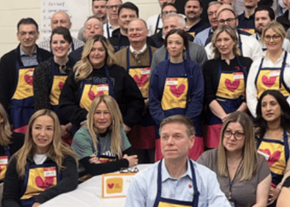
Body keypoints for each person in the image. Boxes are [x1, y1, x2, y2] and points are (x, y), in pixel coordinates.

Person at [59, 34, 144, 131]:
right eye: (92, 49)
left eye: (101, 50)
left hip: (113, 130)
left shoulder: (118, 73)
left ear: (107, 52)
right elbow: (65, 104)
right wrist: (87, 117)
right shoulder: (77, 73)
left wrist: (127, 123)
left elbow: (137, 101)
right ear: (87, 52)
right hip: (84, 129)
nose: (96, 53)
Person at [149, 29, 205, 160]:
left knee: (193, 168)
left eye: (178, 43)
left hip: (191, 126)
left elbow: (198, 97)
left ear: (184, 46)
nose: (173, 46)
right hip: (163, 126)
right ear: (166, 46)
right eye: (170, 43)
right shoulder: (159, 69)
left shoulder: (193, 68)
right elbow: (154, 100)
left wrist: (185, 122)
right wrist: (165, 122)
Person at [0, 18, 52, 129]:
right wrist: (6, 120)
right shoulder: (7, 60)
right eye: (23, 33)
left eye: (31, 33)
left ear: (37, 35)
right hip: (17, 115)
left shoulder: (47, 57)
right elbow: (2, 94)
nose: (27, 37)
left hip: (41, 113)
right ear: (18, 36)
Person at [113, 18, 157, 155]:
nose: (134, 32)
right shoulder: (117, 57)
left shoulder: (158, 54)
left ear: (147, 32)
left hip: (153, 113)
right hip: (128, 117)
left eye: (138, 29)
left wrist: (149, 101)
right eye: (131, 30)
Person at [202, 26, 251, 148]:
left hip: (242, 115)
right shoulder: (209, 66)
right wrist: (224, 117)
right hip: (217, 118)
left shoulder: (247, 63)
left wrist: (236, 116)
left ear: (234, 41)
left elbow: (251, 93)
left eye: (226, 39)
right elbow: (208, 96)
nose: (222, 44)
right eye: (219, 40)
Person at [246, 22, 290, 116]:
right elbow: (250, 95)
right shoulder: (256, 63)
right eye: (268, 37)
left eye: (275, 36)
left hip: (287, 116)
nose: (271, 40)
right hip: (262, 116)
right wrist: (259, 114)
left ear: (283, 38)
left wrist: (281, 113)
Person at [71, 95, 139, 177]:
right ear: (92, 114)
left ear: (113, 114)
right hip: (84, 181)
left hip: (109, 178)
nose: (102, 117)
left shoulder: (118, 130)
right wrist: (124, 162)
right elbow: (94, 170)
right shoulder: (82, 136)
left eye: (106, 112)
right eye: (97, 112)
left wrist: (103, 166)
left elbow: (133, 159)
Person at [33, 27, 76, 118]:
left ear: (70, 44)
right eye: (55, 42)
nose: (58, 46)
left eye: (63, 42)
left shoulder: (77, 67)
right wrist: (55, 125)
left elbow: (80, 99)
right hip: (50, 120)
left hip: (73, 119)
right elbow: (41, 104)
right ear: (50, 45)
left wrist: (70, 125)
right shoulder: (42, 69)